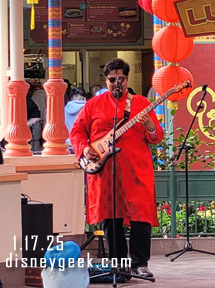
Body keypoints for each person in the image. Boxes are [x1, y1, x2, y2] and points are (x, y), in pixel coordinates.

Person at [69, 58, 162, 279]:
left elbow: (157, 136)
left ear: (127, 79)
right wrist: (84, 149)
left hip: (137, 173)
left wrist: (149, 126)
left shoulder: (140, 103)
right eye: (112, 80)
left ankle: (140, 264)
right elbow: (77, 132)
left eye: (120, 79)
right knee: (112, 219)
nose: (116, 83)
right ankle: (119, 265)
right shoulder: (93, 104)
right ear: (106, 80)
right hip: (107, 173)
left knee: (141, 218)